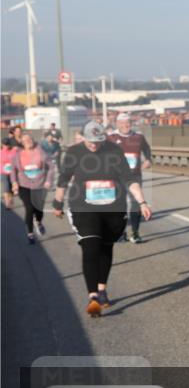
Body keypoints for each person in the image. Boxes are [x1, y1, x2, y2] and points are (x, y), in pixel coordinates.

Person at [53, 120, 153, 316]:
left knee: (106, 247)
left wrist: (142, 202)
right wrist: (57, 203)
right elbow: (63, 179)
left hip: (113, 208)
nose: (94, 145)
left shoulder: (114, 151)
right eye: (90, 141)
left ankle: (101, 288)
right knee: (90, 246)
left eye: (97, 142)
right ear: (84, 137)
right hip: (84, 207)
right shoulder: (74, 152)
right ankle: (93, 297)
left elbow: (128, 178)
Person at [107, 112, 153, 243]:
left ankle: (135, 233)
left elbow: (147, 149)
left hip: (134, 175)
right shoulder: (110, 138)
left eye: (128, 123)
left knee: (135, 203)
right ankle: (121, 232)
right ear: (117, 124)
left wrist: (148, 160)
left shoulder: (138, 137)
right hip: (117, 176)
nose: (126, 125)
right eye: (122, 123)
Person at [10, 132, 56, 243]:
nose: (27, 142)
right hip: (24, 185)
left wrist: (48, 181)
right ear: (21, 143)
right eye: (25, 140)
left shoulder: (41, 152)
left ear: (33, 140)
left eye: (29, 139)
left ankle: (39, 222)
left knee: (38, 210)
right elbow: (13, 171)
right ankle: (30, 233)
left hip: (39, 185)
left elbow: (51, 167)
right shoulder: (17, 155)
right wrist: (14, 183)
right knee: (29, 209)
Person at [1, 138, 16, 210]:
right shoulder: (0, 152)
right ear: (2, 144)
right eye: (5, 144)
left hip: (11, 173)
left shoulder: (13, 151)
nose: (6, 145)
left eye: (7, 144)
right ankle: (7, 204)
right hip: (3, 172)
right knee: (6, 186)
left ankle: (10, 200)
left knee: (11, 188)